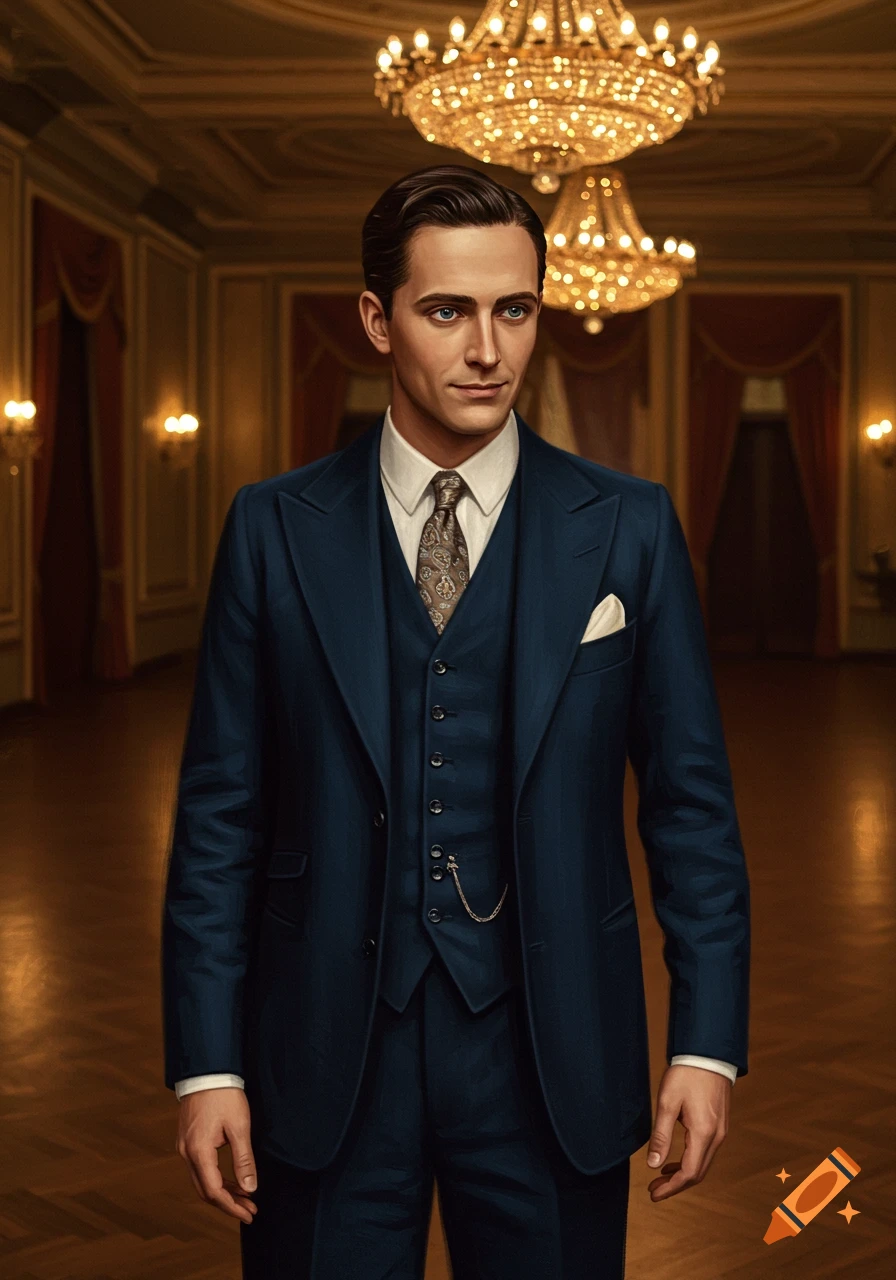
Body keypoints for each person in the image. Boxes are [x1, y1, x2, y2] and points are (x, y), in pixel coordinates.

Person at [162, 163, 750, 1278]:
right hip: (323, 1055)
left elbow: (690, 809)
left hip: (552, 1051)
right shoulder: (270, 526)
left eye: (513, 308)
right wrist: (205, 1065)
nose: (488, 349)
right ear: (378, 319)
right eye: (447, 310)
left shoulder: (626, 527)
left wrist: (706, 1040)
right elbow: (218, 823)